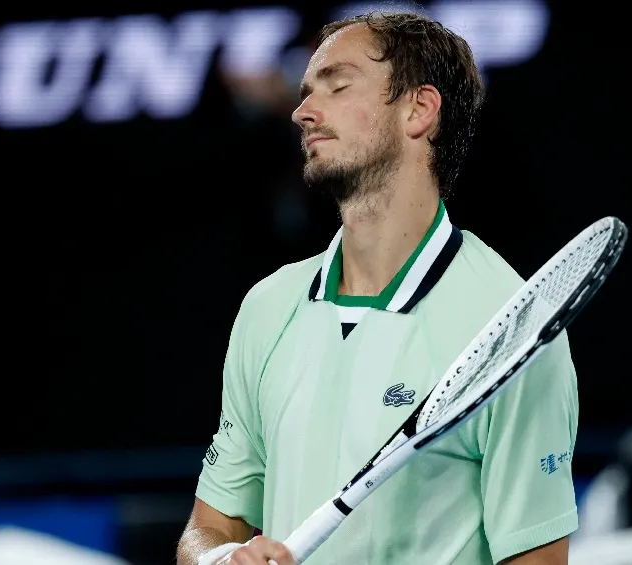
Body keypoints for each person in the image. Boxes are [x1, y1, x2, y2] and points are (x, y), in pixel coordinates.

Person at [177, 11, 579, 565]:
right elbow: (209, 525)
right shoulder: (267, 309)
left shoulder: (510, 329)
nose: (302, 112)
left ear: (419, 109)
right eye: (303, 93)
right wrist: (219, 560)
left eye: (337, 87)